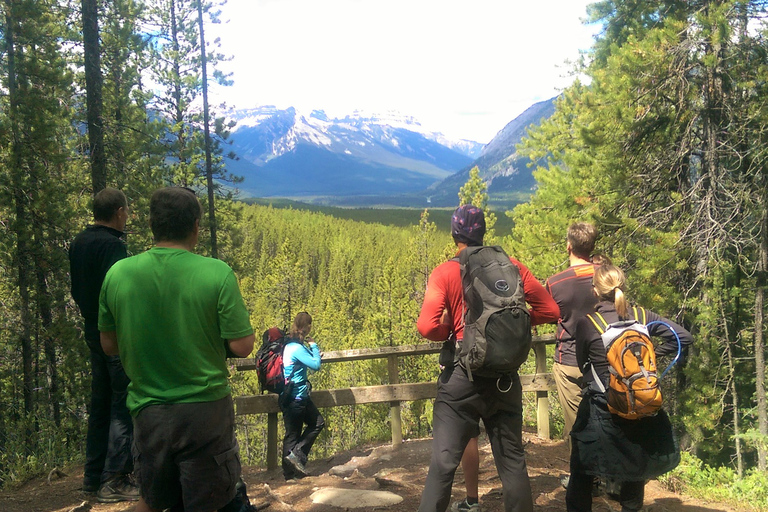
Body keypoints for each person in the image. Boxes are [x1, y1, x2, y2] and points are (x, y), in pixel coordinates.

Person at [99, 187, 255, 512]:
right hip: (205, 410)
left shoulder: (118, 274)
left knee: (153, 499)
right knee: (212, 500)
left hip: (148, 409)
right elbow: (242, 346)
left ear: (153, 225)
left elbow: (109, 344)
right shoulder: (217, 273)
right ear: (196, 226)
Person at [416, 205, 560, 512]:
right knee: (512, 461)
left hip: (461, 381)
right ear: (483, 232)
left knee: (443, 462)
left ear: (454, 234)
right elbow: (551, 311)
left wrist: (455, 332)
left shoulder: (445, 272)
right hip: (504, 380)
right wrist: (513, 326)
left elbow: (426, 326)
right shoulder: (514, 267)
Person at [566, 264, 692, 512]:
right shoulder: (643, 317)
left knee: (582, 470)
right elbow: (684, 337)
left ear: (595, 291)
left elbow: (583, 364)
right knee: (634, 470)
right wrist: (648, 358)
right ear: (622, 286)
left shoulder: (588, 323)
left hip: (602, 410)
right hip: (639, 408)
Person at [69, 187, 138, 502]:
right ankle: (115, 479)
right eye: (127, 211)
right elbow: (120, 294)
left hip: (90, 330)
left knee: (100, 403)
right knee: (122, 403)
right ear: (119, 212)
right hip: (112, 333)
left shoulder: (79, 243)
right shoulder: (112, 247)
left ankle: (92, 476)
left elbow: (77, 290)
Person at [544, 222, 599, 488]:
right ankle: (606, 475)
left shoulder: (556, 283)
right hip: (605, 359)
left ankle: (582, 481)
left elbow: (544, 313)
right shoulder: (608, 276)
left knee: (576, 424)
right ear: (592, 246)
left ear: (569, 246)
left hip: (569, 360)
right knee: (608, 418)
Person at [280, 312, 325, 481]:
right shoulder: (297, 347)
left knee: (316, 423)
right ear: (307, 327)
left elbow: (309, 361)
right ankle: (291, 471)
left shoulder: (291, 345)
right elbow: (315, 365)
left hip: (296, 396)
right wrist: (313, 346)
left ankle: (293, 466)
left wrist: (313, 355)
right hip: (295, 398)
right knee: (293, 435)